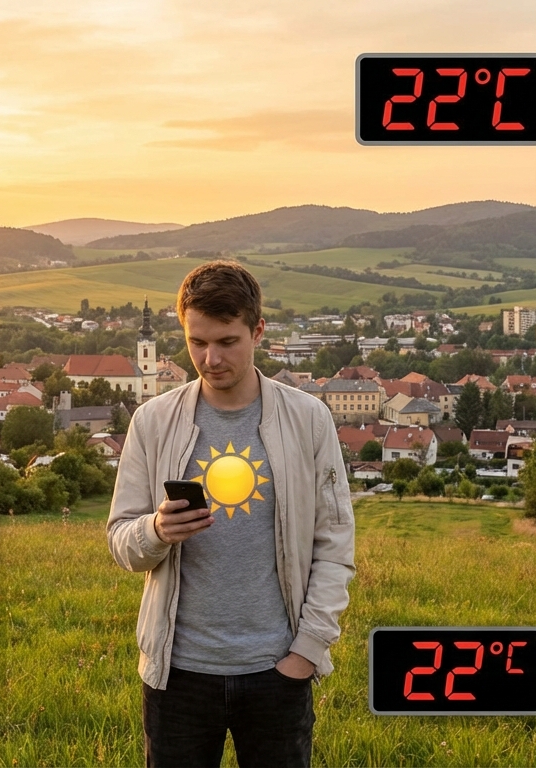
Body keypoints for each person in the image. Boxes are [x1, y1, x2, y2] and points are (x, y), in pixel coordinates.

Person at [107, 260, 355, 767]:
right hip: (176, 674)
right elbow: (119, 539)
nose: (210, 358)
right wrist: (155, 530)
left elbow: (334, 544)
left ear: (258, 330)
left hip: (276, 672)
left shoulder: (309, 420)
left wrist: (305, 652)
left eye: (226, 341)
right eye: (197, 342)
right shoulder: (153, 421)